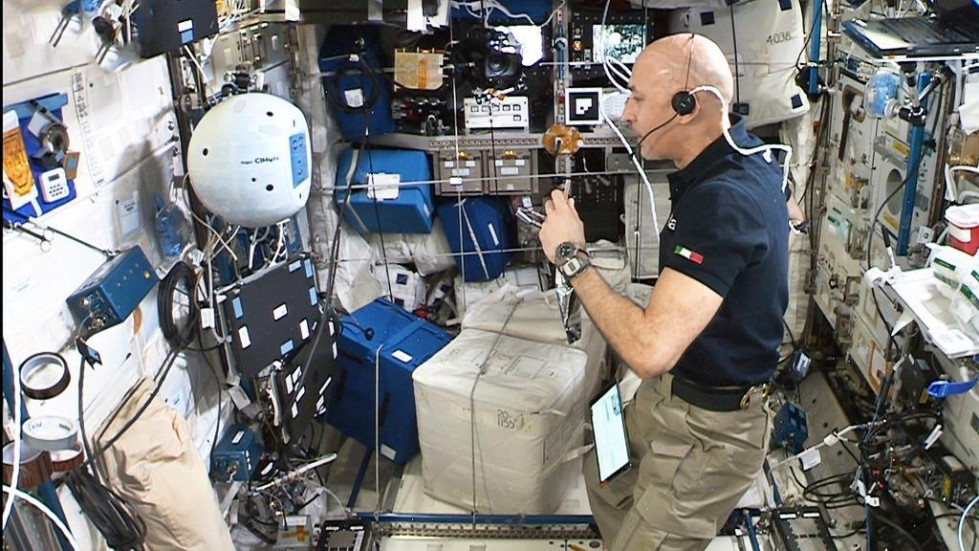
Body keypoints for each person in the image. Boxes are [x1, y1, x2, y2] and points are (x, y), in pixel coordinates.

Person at [538, 33, 802, 550]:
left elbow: (649, 351)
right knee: (605, 473)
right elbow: (789, 213)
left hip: (712, 429)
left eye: (637, 98)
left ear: (686, 108)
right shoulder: (742, 154)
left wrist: (571, 257)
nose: (628, 114)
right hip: (670, 395)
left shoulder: (722, 203)